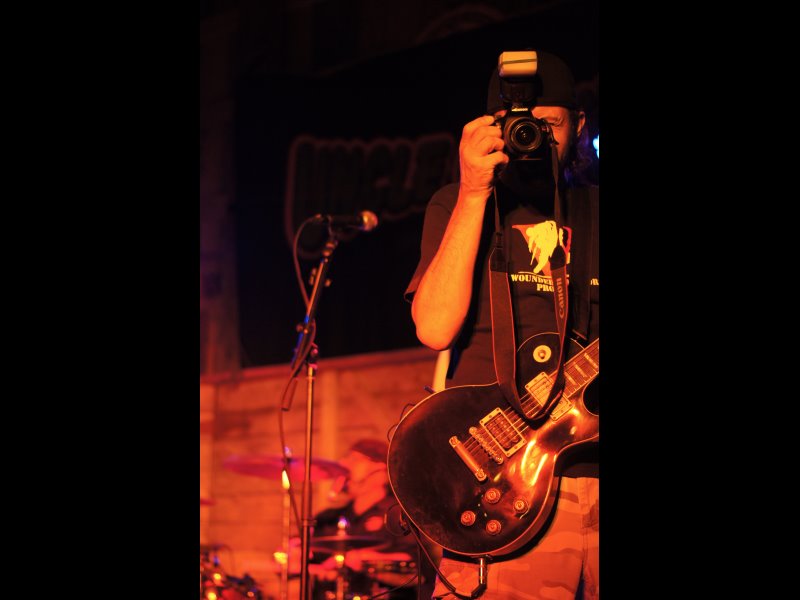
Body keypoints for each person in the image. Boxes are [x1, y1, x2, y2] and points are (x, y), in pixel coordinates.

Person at [404, 49, 599, 599]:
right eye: (518, 125)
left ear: (579, 126)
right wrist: (473, 192)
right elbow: (434, 329)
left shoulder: (595, 209)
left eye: (550, 123)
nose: (534, 137)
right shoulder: (455, 203)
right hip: (498, 486)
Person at [310, 438, 435, 599]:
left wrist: (361, 558)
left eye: (354, 459)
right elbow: (312, 558)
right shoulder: (330, 517)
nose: (343, 464)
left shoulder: (398, 513)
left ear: (380, 468)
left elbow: (414, 566)